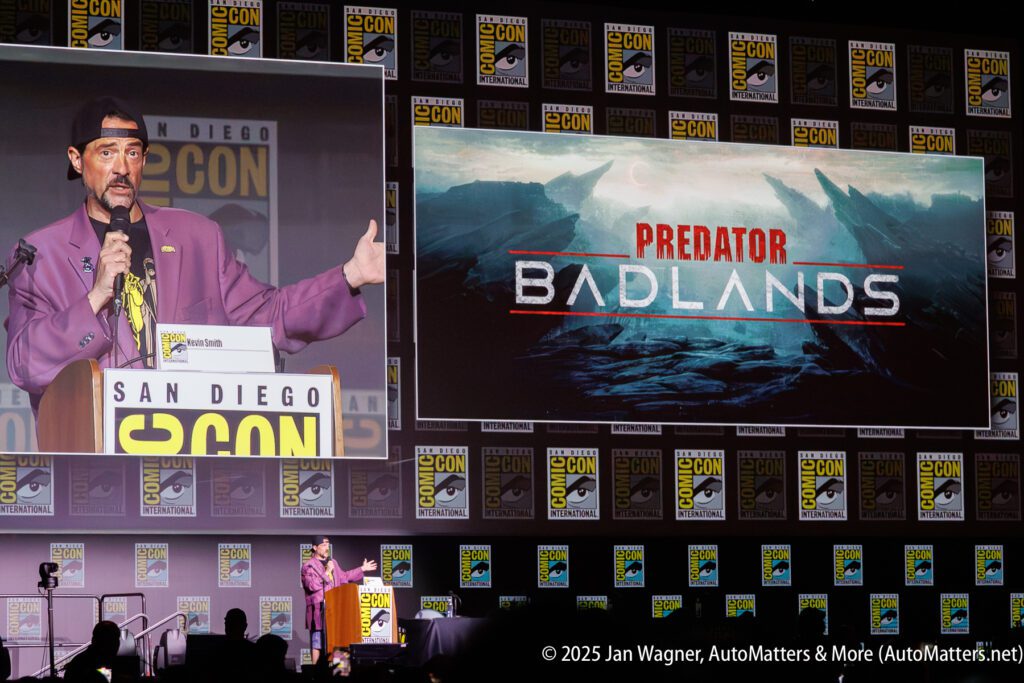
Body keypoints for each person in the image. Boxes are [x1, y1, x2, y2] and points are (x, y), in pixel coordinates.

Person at [5, 96, 384, 415]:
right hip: (94, 465)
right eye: (107, 153)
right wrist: (95, 297)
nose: (121, 168)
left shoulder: (198, 238)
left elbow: (270, 316)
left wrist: (350, 275)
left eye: (132, 153)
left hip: (189, 451)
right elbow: (25, 364)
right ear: (76, 160)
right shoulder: (42, 255)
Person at [300, 535, 377, 664]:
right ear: (315, 547)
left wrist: (362, 569)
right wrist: (327, 572)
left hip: (335, 609)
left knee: (340, 639)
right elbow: (312, 586)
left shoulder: (333, 562)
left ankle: (341, 673)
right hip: (318, 611)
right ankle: (317, 675)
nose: (327, 548)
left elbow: (344, 577)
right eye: (323, 545)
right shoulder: (308, 566)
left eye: (327, 544)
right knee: (317, 643)